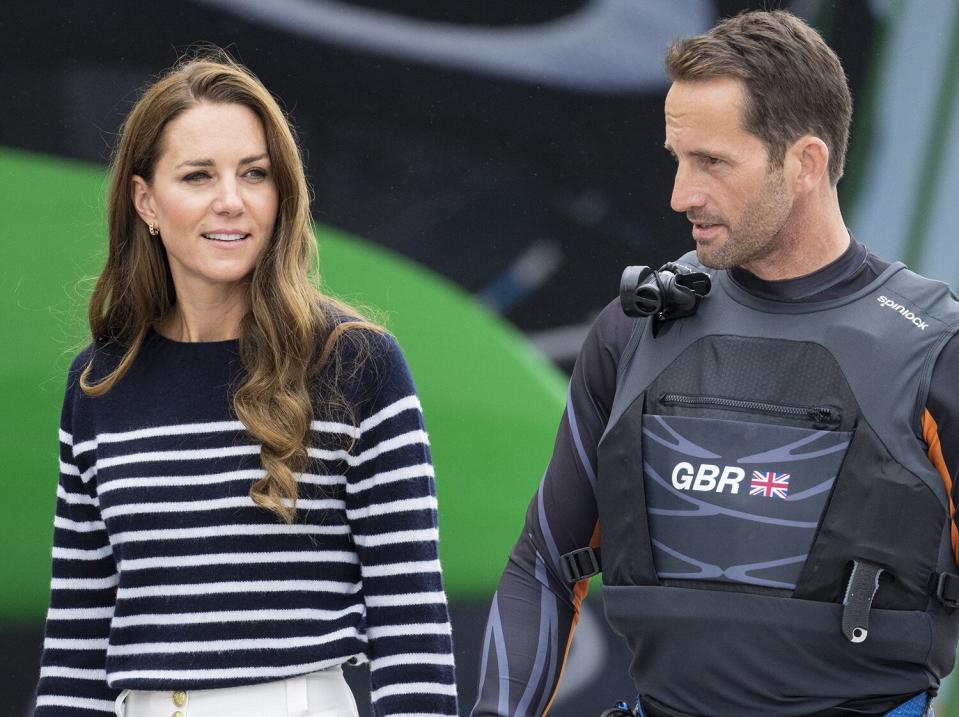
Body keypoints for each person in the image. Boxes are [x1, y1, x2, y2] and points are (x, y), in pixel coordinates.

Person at [471, 10, 959, 717]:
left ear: (805, 163)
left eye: (712, 162)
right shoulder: (635, 328)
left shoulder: (934, 346)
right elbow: (546, 563)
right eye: (677, 157)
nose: (679, 195)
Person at [34, 51, 458, 717]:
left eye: (254, 174)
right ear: (146, 200)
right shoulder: (98, 382)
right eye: (198, 176)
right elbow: (75, 645)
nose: (231, 200)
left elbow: (411, 625)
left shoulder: (356, 364)